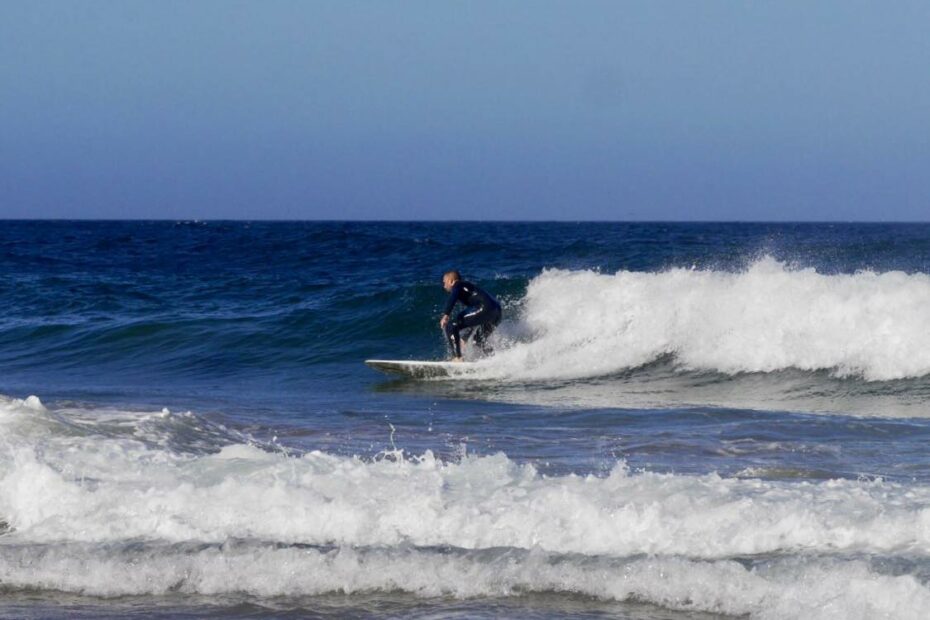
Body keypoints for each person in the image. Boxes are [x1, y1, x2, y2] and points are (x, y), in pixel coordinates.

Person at [439, 270, 502, 361]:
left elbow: (453, 297)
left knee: (451, 326)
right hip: (497, 312)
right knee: (478, 340)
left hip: (485, 308)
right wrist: (465, 337)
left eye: (444, 283)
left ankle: (458, 358)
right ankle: (496, 359)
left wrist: (446, 315)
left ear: (451, 281)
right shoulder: (467, 289)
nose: (444, 286)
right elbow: (475, 320)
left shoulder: (457, 285)